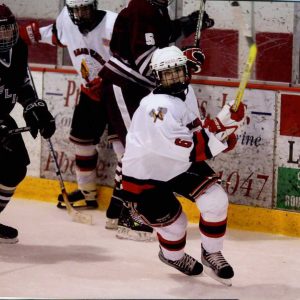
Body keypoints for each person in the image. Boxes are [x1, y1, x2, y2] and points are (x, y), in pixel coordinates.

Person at [120, 45, 246, 285]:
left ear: (185, 70)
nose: (175, 78)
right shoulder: (155, 108)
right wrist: (221, 133)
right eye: (167, 74)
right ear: (157, 77)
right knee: (176, 226)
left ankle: (211, 253)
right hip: (147, 175)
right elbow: (191, 149)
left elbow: (195, 133)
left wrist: (225, 124)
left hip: (177, 164)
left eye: (178, 71)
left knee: (215, 199)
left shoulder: (185, 92)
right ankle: (172, 256)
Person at [99, 0, 214, 240]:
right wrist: (184, 60)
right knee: (137, 149)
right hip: (125, 84)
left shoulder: (153, 8)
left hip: (134, 87)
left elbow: (160, 38)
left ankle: (116, 211)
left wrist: (187, 25)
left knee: (135, 150)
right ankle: (130, 217)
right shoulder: (143, 7)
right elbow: (145, 64)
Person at [19, 0, 118, 210]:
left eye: (85, 9)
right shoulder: (66, 19)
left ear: (94, 5)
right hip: (89, 93)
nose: (80, 15)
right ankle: (87, 192)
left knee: (125, 149)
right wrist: (25, 36)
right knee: (82, 142)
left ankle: (125, 201)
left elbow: (130, 58)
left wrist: (110, 79)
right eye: (76, 10)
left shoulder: (113, 24)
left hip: (117, 94)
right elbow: (56, 35)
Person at [0, 4, 56, 243]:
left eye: (8, 29)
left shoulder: (18, 47)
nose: (6, 36)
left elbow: (22, 83)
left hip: (1, 116)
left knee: (15, 168)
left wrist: (34, 106)